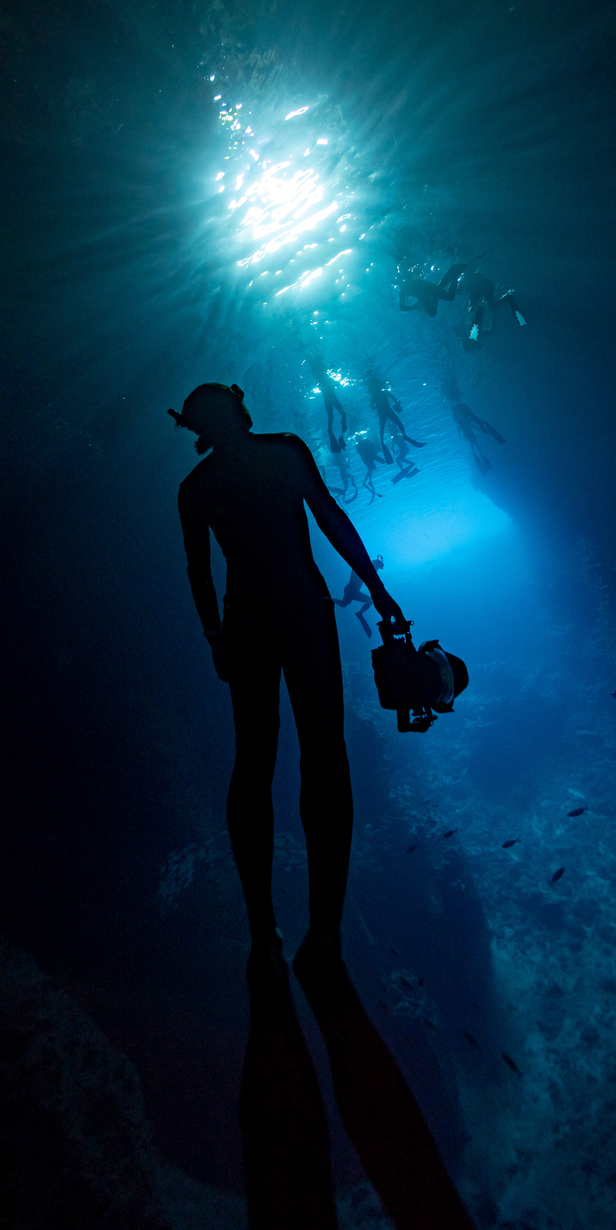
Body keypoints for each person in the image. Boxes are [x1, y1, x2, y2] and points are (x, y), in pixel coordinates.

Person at [169, 383, 406, 995]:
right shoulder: (283, 451)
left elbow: (199, 569)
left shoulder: (196, 488)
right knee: (323, 754)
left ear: (197, 426)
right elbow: (329, 517)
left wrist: (214, 634)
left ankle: (265, 935)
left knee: (255, 761)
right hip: (302, 610)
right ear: (237, 411)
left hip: (246, 621)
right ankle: (323, 931)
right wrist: (378, 591)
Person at [455, 268, 525, 350]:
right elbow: (491, 330)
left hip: (481, 287)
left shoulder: (470, 334)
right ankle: (506, 299)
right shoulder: (473, 336)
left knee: (481, 308)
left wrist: (493, 315)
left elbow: (491, 330)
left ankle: (506, 299)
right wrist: (494, 315)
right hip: (483, 286)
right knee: (486, 307)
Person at [366, 376, 424, 463]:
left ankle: (382, 442)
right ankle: (405, 435)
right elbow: (393, 398)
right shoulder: (384, 392)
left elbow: (372, 407)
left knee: (382, 428)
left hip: (381, 412)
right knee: (399, 423)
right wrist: (395, 404)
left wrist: (378, 406)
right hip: (388, 410)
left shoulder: (373, 396)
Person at [333, 555, 384, 638]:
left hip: (352, 590)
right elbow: (371, 577)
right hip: (351, 590)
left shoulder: (367, 568)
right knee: (345, 604)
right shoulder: (365, 567)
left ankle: (359, 613)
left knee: (344, 604)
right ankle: (359, 613)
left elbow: (371, 577)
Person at [308, 355, 348, 453]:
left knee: (331, 417)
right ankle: (341, 435)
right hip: (333, 398)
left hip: (327, 400)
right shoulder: (326, 378)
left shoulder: (319, 380)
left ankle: (331, 432)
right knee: (343, 414)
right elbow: (337, 384)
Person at [452, 401, 505, 476]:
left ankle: (484, 467)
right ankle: (498, 441)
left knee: (475, 445)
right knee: (476, 445)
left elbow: (459, 424)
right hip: (468, 427)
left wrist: (460, 436)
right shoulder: (463, 405)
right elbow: (470, 415)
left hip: (467, 431)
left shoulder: (456, 410)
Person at [398, 263, 465, 318]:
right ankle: (454, 273)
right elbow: (402, 308)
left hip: (424, 292)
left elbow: (402, 307)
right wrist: (414, 306)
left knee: (446, 295)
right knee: (442, 291)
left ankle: (454, 274)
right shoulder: (404, 288)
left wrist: (414, 307)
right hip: (425, 290)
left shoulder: (402, 290)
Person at [354, 437, 384, 503]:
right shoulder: (363, 443)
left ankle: (367, 481)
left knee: (374, 466)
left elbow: (360, 452)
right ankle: (367, 481)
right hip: (368, 457)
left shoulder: (359, 444)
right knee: (373, 467)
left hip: (369, 456)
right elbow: (373, 445)